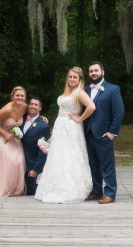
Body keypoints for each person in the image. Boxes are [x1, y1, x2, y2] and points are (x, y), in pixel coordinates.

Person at [35, 67, 95, 203]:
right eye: (70, 77)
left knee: (70, 155)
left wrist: (80, 118)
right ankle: (54, 187)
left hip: (71, 127)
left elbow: (91, 106)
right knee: (58, 156)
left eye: (75, 77)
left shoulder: (79, 92)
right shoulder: (67, 92)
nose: (72, 79)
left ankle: (71, 189)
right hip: (60, 127)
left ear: (80, 80)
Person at [83, 61, 124, 204]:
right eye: (91, 71)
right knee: (93, 164)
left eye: (96, 70)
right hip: (88, 133)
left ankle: (110, 193)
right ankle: (96, 191)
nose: (93, 73)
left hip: (104, 134)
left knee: (107, 164)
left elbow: (118, 113)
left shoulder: (113, 89)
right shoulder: (85, 90)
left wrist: (112, 132)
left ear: (102, 72)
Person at [20, 97, 50, 195]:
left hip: (30, 165)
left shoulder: (43, 126)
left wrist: (35, 170)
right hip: (15, 161)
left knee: (29, 191)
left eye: (36, 105)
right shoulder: (21, 119)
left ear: (40, 108)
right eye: (31, 104)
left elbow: (43, 151)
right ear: (28, 105)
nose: (33, 106)